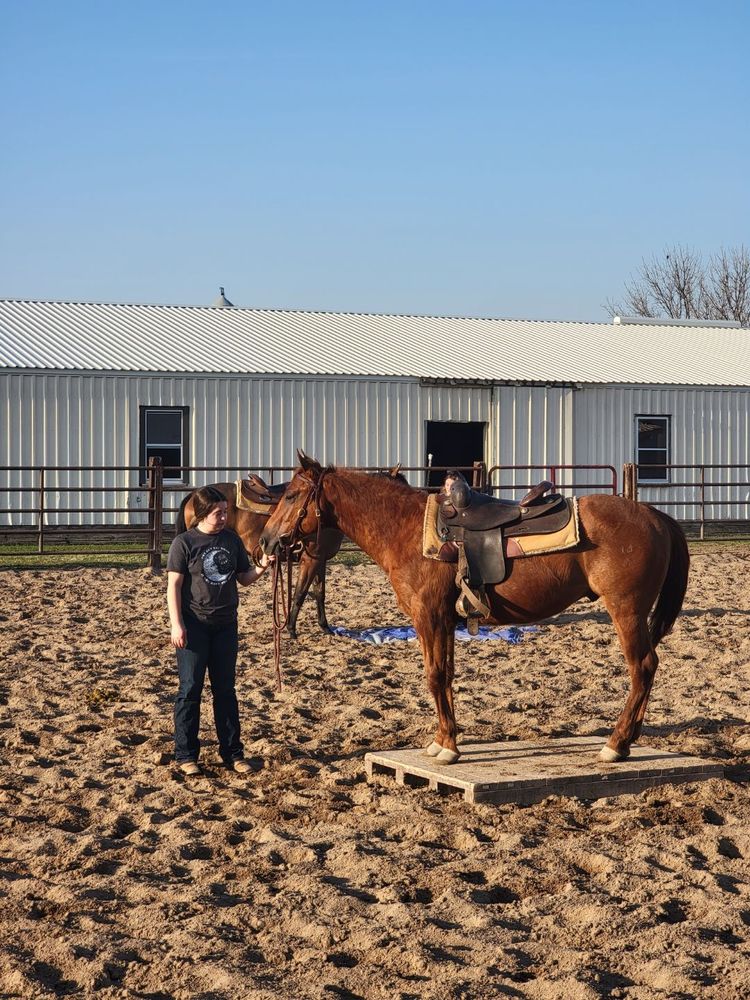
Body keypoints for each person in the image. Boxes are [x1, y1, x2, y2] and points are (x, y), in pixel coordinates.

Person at [166, 485, 269, 777]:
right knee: (190, 690)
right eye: (218, 513)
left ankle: (233, 753)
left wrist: (262, 567)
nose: (224, 517)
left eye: (225, 512)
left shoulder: (231, 541)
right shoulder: (184, 544)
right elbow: (173, 586)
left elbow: (244, 578)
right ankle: (186, 754)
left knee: (226, 691)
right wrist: (177, 623)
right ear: (202, 513)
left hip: (226, 625)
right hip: (194, 626)